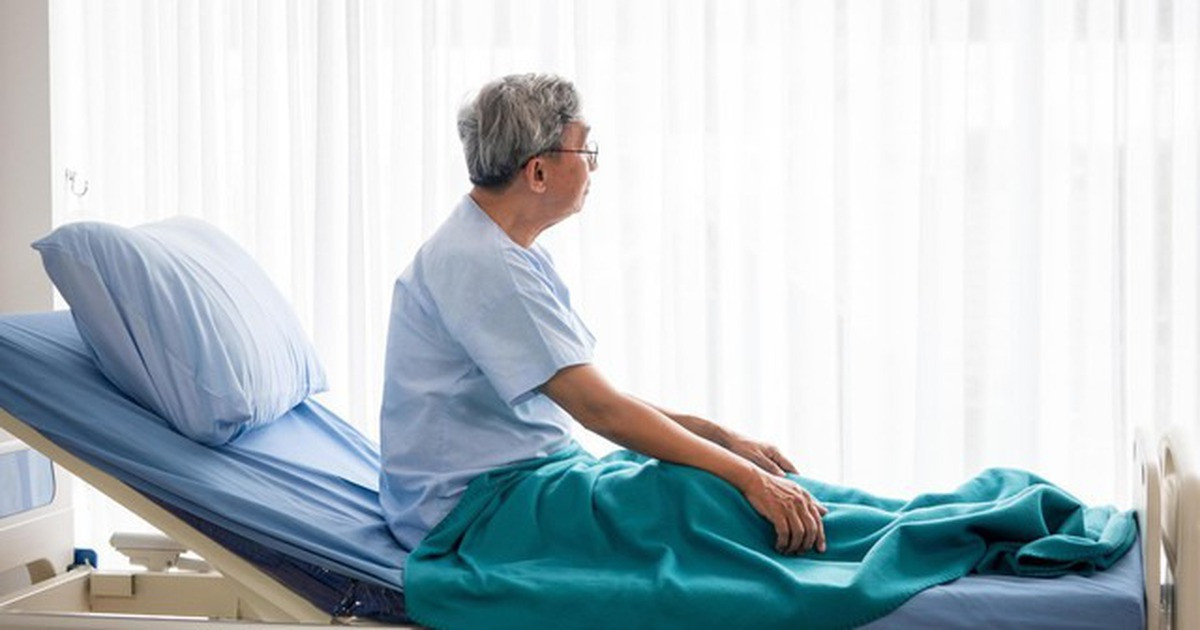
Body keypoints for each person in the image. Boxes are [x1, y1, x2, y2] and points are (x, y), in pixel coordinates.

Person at [378, 72, 826, 559]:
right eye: (585, 150)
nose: (594, 166)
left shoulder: (499, 248)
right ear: (538, 173)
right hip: (470, 515)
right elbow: (600, 410)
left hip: (518, 481)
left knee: (704, 484)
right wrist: (749, 478)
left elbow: (594, 396)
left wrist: (721, 440)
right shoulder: (483, 263)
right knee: (711, 502)